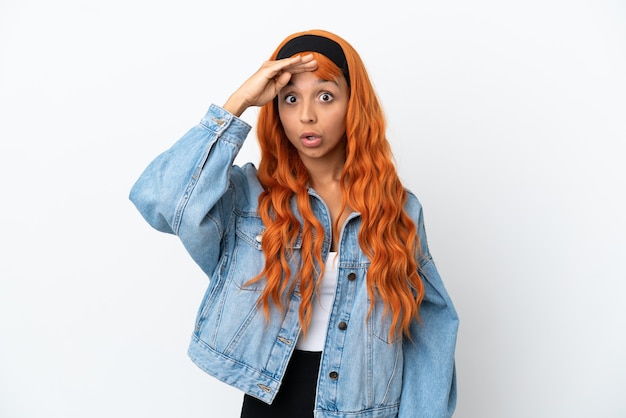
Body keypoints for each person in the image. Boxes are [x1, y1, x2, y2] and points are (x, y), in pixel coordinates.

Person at [129, 29, 458, 418]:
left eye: (325, 95)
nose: (306, 115)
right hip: (271, 404)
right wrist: (239, 102)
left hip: (362, 408)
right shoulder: (248, 197)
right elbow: (161, 200)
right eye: (290, 98)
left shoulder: (398, 210)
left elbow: (429, 328)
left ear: (354, 104)